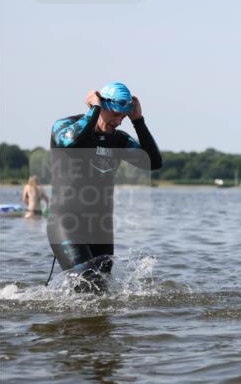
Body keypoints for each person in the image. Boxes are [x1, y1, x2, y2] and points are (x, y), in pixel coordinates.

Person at [48, 82, 162, 293]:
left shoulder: (119, 141)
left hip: (100, 227)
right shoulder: (64, 126)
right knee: (86, 284)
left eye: (123, 117)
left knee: (102, 293)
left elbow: (153, 162)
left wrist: (138, 121)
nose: (119, 121)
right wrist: (94, 110)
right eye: (116, 114)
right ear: (102, 106)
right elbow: (72, 143)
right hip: (66, 223)